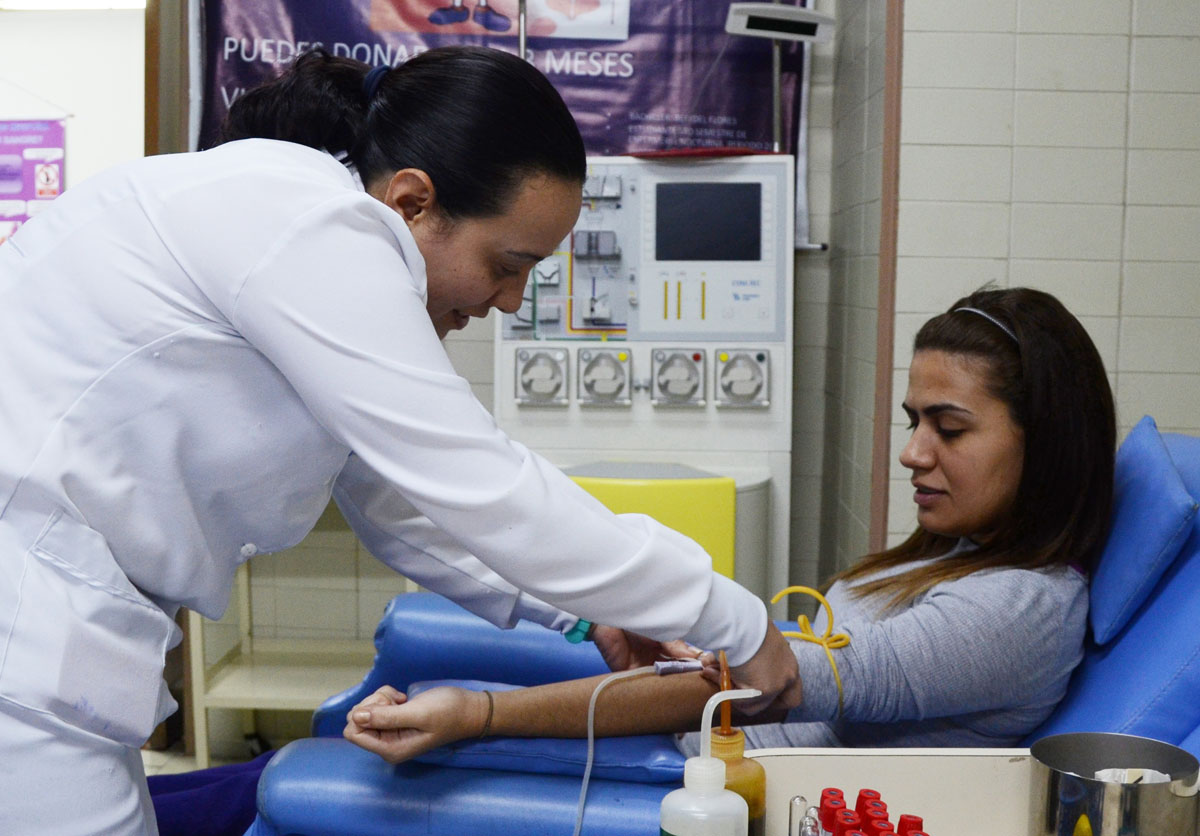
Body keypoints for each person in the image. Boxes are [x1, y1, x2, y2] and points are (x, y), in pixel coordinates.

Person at [0, 46, 800, 835]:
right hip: (27, 623)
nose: (509, 301)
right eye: (507, 263)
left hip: (56, 632)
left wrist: (590, 617)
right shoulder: (310, 222)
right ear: (414, 202)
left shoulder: (291, 230)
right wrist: (736, 620)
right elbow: (480, 485)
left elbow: (405, 508)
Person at [343, 286, 1117, 762]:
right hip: (702, 746)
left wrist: (479, 715)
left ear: (1044, 440)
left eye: (949, 429)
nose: (913, 453)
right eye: (914, 421)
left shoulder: (1020, 610)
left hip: (719, 788)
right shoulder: (956, 552)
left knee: (387, 757)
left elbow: (758, 685)